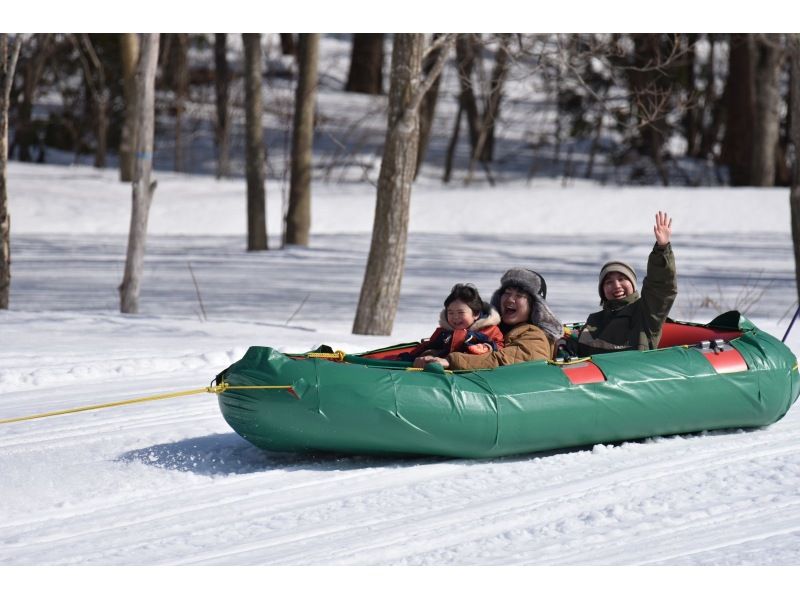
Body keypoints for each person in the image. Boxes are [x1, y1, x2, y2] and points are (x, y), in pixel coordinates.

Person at [566, 211, 677, 357]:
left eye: (622, 279)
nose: (616, 286)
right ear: (602, 290)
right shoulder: (594, 321)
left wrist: (662, 249)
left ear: (632, 283)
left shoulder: (646, 314)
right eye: (609, 282)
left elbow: (660, 287)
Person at [416, 268, 563, 370]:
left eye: (519, 296)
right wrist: (433, 354)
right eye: (507, 293)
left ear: (534, 306)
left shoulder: (535, 336)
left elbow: (502, 360)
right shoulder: (491, 329)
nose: (510, 299)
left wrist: (450, 361)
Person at [397, 283, 504, 366]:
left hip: (470, 370)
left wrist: (487, 347)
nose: (455, 317)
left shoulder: (488, 330)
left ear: (475, 314)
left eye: (461, 313)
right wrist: (412, 357)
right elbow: (427, 345)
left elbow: (500, 347)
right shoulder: (444, 332)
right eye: (451, 313)